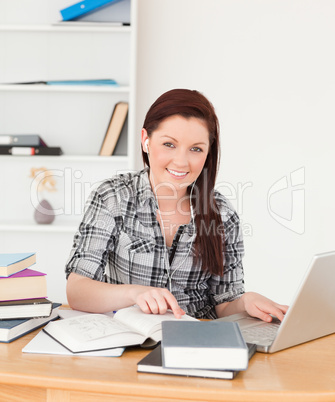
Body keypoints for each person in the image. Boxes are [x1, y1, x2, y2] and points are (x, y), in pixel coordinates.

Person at [66, 88, 288, 321]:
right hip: (129, 339)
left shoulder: (222, 214)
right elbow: (77, 290)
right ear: (146, 141)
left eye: (196, 149)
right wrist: (135, 293)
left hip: (198, 341)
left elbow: (225, 304)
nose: (181, 161)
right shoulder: (111, 197)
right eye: (169, 144)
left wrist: (245, 301)